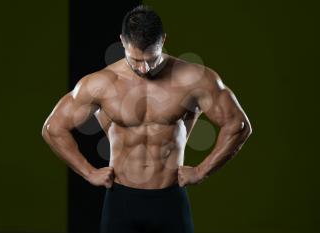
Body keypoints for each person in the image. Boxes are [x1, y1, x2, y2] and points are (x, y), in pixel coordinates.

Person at [41, 4, 252, 233]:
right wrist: (89, 172)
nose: (143, 69)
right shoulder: (101, 84)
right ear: (122, 41)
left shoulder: (194, 79)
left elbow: (238, 125)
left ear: (163, 41)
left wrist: (202, 171)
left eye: (151, 59)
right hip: (121, 200)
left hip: (170, 199)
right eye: (135, 60)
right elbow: (53, 128)